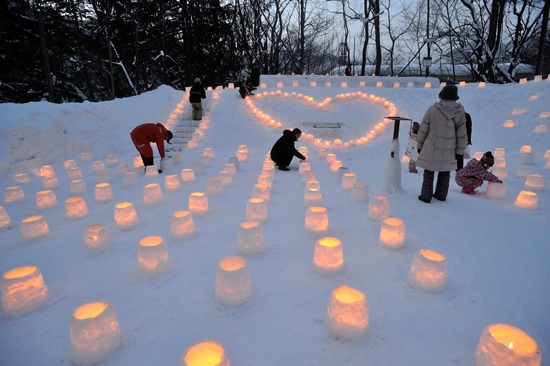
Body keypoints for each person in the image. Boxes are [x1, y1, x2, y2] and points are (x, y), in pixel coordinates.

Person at [416, 84, 468, 203]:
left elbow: (423, 129)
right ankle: (441, 194)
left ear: (442, 95)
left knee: (429, 171)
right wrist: (460, 151)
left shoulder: (433, 109)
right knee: (445, 171)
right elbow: (462, 134)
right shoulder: (459, 111)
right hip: (449, 148)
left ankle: (425, 196)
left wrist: (419, 146)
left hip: (431, 146)